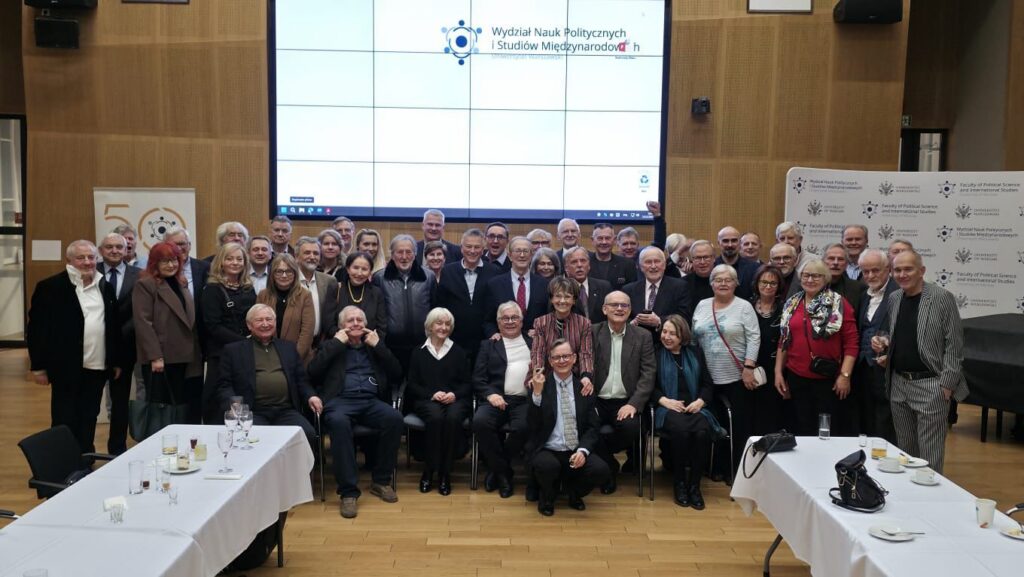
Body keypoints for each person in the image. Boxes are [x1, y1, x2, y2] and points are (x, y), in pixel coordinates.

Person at [872, 250, 967, 473]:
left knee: (929, 455)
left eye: (908, 269)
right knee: (905, 451)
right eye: (897, 270)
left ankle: (931, 492)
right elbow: (904, 335)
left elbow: (954, 343)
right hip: (899, 384)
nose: (902, 274)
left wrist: (947, 383)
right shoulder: (894, 298)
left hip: (931, 384)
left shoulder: (941, 298)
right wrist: (887, 346)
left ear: (921, 271)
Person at [307, 306, 403, 518]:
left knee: (395, 419)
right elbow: (312, 373)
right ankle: (348, 492)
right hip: (339, 402)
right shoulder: (330, 345)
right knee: (339, 424)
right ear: (341, 326)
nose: (356, 323)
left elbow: (397, 373)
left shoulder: (374, 345)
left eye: (360, 320)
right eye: (350, 320)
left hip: (370, 401)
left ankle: (381, 481)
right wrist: (336, 344)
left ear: (366, 324)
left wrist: (379, 347)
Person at [28, 240, 120, 454]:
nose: (87, 262)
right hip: (65, 367)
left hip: (97, 366)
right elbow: (37, 329)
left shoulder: (104, 286)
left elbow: (113, 327)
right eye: (81, 258)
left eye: (91, 257)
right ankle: (64, 462)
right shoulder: (50, 287)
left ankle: (85, 458)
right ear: (69, 260)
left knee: (89, 416)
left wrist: (115, 361)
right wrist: (39, 366)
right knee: (65, 418)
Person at [775, 259, 858, 437]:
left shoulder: (839, 304)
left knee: (827, 431)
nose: (810, 280)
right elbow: (784, 339)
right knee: (801, 428)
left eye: (816, 276)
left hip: (828, 380)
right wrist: (778, 373)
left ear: (825, 278)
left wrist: (845, 376)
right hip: (796, 378)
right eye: (806, 275)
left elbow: (851, 343)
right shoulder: (792, 303)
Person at [691, 264, 760, 478]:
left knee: (738, 426)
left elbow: (754, 337)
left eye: (728, 280)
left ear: (736, 283)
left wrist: (749, 367)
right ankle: (715, 467)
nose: (723, 283)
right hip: (706, 378)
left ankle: (736, 470)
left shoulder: (744, 307)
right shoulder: (702, 305)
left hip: (737, 376)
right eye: (718, 280)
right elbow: (693, 337)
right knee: (713, 424)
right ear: (711, 283)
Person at [527, 339, 610, 516]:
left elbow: (593, 427)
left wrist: (583, 451)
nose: (562, 361)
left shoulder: (584, 388)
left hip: (575, 448)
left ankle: (574, 492)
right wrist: (537, 394)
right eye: (557, 357)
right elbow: (532, 425)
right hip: (549, 449)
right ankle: (547, 496)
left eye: (566, 356)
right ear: (550, 361)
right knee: (547, 466)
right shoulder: (540, 385)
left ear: (574, 358)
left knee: (601, 470)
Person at [216, 304, 316, 446]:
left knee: (308, 434)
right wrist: (234, 404)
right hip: (252, 412)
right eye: (259, 320)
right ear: (249, 325)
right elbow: (224, 385)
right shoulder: (233, 350)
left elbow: (302, 380)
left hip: (285, 411)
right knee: (254, 439)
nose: (265, 324)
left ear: (275, 322)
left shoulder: (288, 348)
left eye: (269, 319)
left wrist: (311, 396)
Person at [590, 291, 655, 493]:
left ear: (630, 310)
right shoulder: (592, 332)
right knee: (584, 426)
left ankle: (603, 457)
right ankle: (609, 466)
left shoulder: (643, 336)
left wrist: (634, 404)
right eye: (614, 305)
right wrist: (588, 401)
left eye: (624, 305)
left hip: (626, 401)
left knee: (631, 428)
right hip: (596, 400)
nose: (619, 309)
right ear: (604, 309)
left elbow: (648, 373)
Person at [654, 314, 717, 509]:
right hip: (668, 408)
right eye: (664, 332)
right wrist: (664, 401)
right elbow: (648, 386)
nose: (666, 337)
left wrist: (700, 402)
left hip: (694, 408)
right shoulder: (655, 353)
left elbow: (708, 384)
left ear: (683, 336)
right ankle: (679, 483)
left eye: (672, 333)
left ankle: (695, 486)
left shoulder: (695, 353)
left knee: (702, 432)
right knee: (681, 430)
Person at [406, 307, 471, 496]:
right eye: (439, 323)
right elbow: (412, 384)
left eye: (447, 324)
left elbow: (468, 383)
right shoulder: (418, 352)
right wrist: (432, 394)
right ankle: (429, 470)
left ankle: (445, 473)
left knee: (452, 419)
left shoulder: (459, 352)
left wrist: (454, 394)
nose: (443, 327)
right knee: (435, 418)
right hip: (427, 399)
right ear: (430, 326)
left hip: (455, 400)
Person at [133, 241, 198, 427]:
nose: (171, 265)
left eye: (174, 260)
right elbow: (143, 323)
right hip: (162, 358)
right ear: (155, 263)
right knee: (161, 409)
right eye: (165, 261)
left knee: (181, 406)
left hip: (185, 356)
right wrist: (155, 356)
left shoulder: (180, 282)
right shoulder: (146, 284)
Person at [472, 302, 532, 498]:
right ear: (498, 323)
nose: (510, 322)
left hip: (524, 400)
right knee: (480, 422)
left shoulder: (534, 342)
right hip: (495, 398)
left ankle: (497, 469)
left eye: (514, 318)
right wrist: (490, 394)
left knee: (524, 427)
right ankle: (504, 473)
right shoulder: (488, 345)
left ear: (521, 321)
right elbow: (478, 378)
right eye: (505, 318)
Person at [201, 242, 256, 423]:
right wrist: (242, 341)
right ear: (221, 262)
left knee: (242, 394)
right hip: (220, 353)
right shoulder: (212, 289)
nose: (235, 263)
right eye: (230, 259)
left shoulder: (248, 288)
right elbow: (213, 326)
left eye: (239, 259)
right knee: (218, 397)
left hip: (244, 352)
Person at [97, 232, 139, 454]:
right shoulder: (91, 272)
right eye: (109, 247)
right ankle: (84, 452)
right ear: (101, 250)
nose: (114, 250)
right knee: (91, 403)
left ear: (127, 250)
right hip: (94, 347)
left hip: (125, 349)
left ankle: (117, 450)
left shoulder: (139, 275)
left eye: (119, 247)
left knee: (120, 403)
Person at [374, 234, 435, 375]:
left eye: (409, 252)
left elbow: (434, 307)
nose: (404, 257)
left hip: (422, 344)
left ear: (415, 254)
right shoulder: (379, 278)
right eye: (399, 252)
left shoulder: (429, 277)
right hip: (390, 345)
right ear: (392, 254)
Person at [854, 249, 898, 442]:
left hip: (887, 370)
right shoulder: (863, 294)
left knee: (885, 421)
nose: (870, 275)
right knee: (865, 419)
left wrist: (888, 344)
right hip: (863, 368)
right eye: (866, 271)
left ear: (888, 269)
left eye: (875, 270)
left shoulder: (899, 293)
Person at [435, 228, 496, 362]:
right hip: (454, 339)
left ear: (483, 249)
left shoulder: (494, 272)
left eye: (477, 247)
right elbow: (441, 304)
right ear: (461, 248)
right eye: (468, 246)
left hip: (485, 340)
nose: (472, 251)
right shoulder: (448, 271)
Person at [530, 277, 594, 393]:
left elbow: (585, 353)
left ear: (574, 300)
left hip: (575, 377)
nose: (562, 301)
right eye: (558, 296)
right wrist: (538, 374)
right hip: (547, 376)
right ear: (551, 299)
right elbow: (538, 352)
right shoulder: (541, 322)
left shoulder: (584, 323)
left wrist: (586, 376)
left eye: (567, 296)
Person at [484, 236, 550, 339]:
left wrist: (542, 330)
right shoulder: (494, 284)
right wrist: (493, 333)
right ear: (510, 255)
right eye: (518, 251)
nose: (522, 255)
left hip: (536, 342)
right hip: (504, 342)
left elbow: (550, 317)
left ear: (531, 256)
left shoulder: (545, 285)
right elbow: (488, 320)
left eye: (525, 251)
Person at [256, 253, 315, 364]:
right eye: (279, 271)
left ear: (295, 273)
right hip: (267, 358)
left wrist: (293, 359)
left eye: (288, 271)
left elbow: (307, 333)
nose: (284, 275)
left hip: (297, 359)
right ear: (272, 274)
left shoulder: (305, 295)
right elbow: (257, 327)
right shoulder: (263, 295)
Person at [749, 265, 785, 435]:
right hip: (749, 368)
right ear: (757, 283)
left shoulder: (786, 308)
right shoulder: (746, 306)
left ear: (779, 286)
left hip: (776, 368)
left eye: (773, 283)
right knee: (751, 415)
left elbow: (786, 341)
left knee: (772, 415)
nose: (768, 286)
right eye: (764, 282)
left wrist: (779, 372)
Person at [624, 246, 688, 336]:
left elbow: (684, 317)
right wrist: (632, 324)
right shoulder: (628, 290)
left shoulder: (680, 287)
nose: (653, 266)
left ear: (664, 265)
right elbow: (622, 316)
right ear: (640, 266)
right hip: (636, 340)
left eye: (657, 261)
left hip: (666, 341)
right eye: (648, 262)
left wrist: (659, 321)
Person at [296, 236, 340, 345]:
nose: (312, 257)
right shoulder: (289, 279)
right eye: (307, 253)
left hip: (319, 344)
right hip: (293, 343)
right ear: (296, 256)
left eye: (316, 253)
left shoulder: (329, 281)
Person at [336, 252, 388, 338]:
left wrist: (372, 340)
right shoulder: (336, 289)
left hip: (369, 343)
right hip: (340, 342)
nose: (359, 273)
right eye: (355, 268)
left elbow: (382, 325)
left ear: (370, 272)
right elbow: (329, 323)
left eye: (364, 269)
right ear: (348, 269)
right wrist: (343, 339)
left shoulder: (376, 293)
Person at [564, 246, 611, 324]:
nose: (579, 265)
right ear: (566, 268)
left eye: (583, 261)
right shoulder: (561, 289)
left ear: (589, 265)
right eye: (574, 262)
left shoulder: (604, 287)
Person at [589, 223, 637, 291]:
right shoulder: (585, 263)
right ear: (592, 240)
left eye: (607, 238)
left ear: (614, 240)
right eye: (600, 238)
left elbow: (632, 292)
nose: (604, 242)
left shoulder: (628, 265)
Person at [714, 226, 759, 300]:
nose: (730, 245)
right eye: (725, 241)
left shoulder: (754, 268)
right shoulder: (711, 267)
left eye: (734, 240)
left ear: (740, 243)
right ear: (719, 243)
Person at [822, 243, 865, 317]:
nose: (835, 263)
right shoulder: (812, 285)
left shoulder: (858, 289)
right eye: (831, 258)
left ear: (846, 264)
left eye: (840, 259)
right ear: (823, 262)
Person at [680, 240, 716, 323]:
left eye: (706, 257)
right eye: (698, 258)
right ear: (691, 260)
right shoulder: (682, 284)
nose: (702, 262)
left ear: (714, 258)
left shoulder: (723, 281)